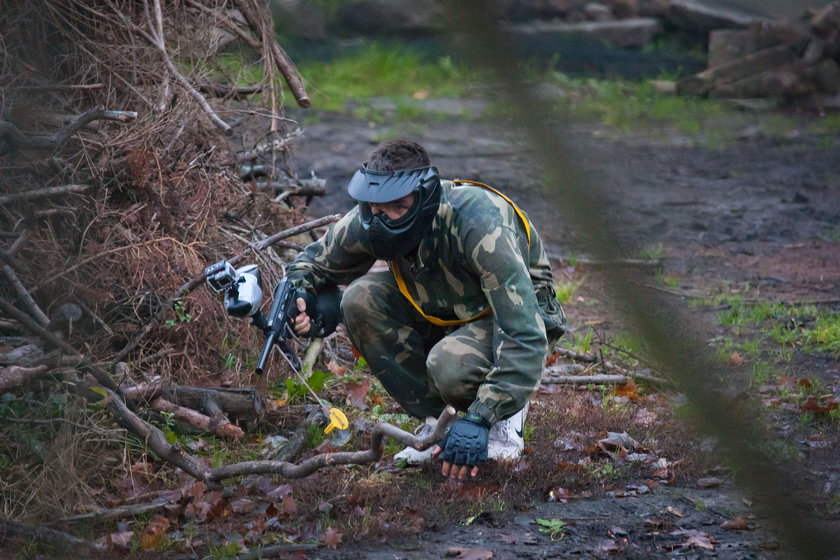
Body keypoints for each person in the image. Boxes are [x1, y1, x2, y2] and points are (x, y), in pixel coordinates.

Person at [285, 140, 566, 479]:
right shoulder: (373, 216)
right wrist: (304, 296)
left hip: (513, 316)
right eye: (375, 208)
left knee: (450, 364)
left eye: (397, 208)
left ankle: (504, 419)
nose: (381, 220)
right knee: (358, 299)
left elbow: (524, 330)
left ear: (424, 198)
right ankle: (441, 425)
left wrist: (483, 415)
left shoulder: (479, 223)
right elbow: (313, 262)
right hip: (442, 305)